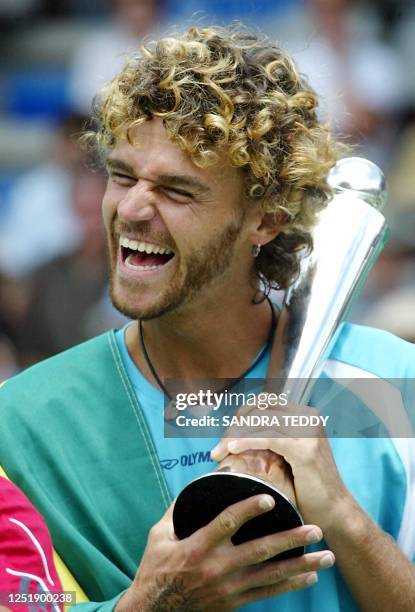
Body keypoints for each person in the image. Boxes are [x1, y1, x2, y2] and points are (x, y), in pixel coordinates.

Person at [1, 24, 415, 612]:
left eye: (177, 189)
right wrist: (149, 603)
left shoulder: (393, 384)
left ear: (266, 219)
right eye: (121, 175)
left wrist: (346, 519)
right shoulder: (22, 425)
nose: (132, 209)